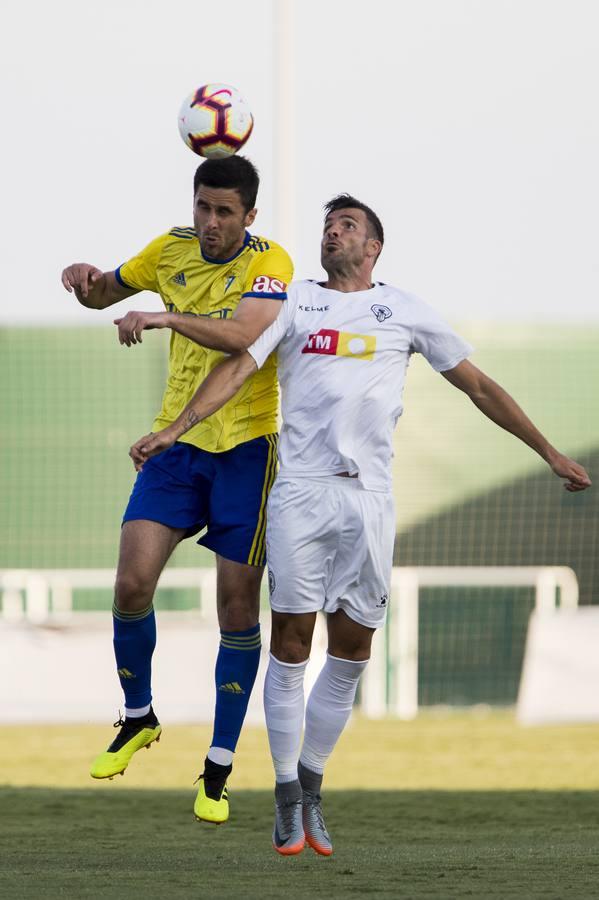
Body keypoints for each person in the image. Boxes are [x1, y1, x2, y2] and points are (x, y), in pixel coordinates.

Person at [127, 194, 591, 855]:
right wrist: (175, 430)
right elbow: (236, 367)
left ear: (372, 247)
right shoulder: (295, 304)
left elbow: (479, 387)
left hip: (368, 499)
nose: (332, 233)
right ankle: (286, 796)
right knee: (291, 642)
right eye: (326, 226)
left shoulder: (404, 311)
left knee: (351, 651)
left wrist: (548, 453)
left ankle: (312, 786)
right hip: (301, 494)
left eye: (346, 226)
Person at [60, 156, 293, 824]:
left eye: (224, 212)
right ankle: (138, 717)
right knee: (131, 583)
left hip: (248, 447)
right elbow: (107, 291)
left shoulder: (271, 261)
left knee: (235, 605)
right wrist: (83, 281)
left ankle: (217, 766)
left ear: (249, 217)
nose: (211, 223)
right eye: (203, 208)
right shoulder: (170, 250)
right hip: (174, 444)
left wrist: (162, 320)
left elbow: (245, 335)